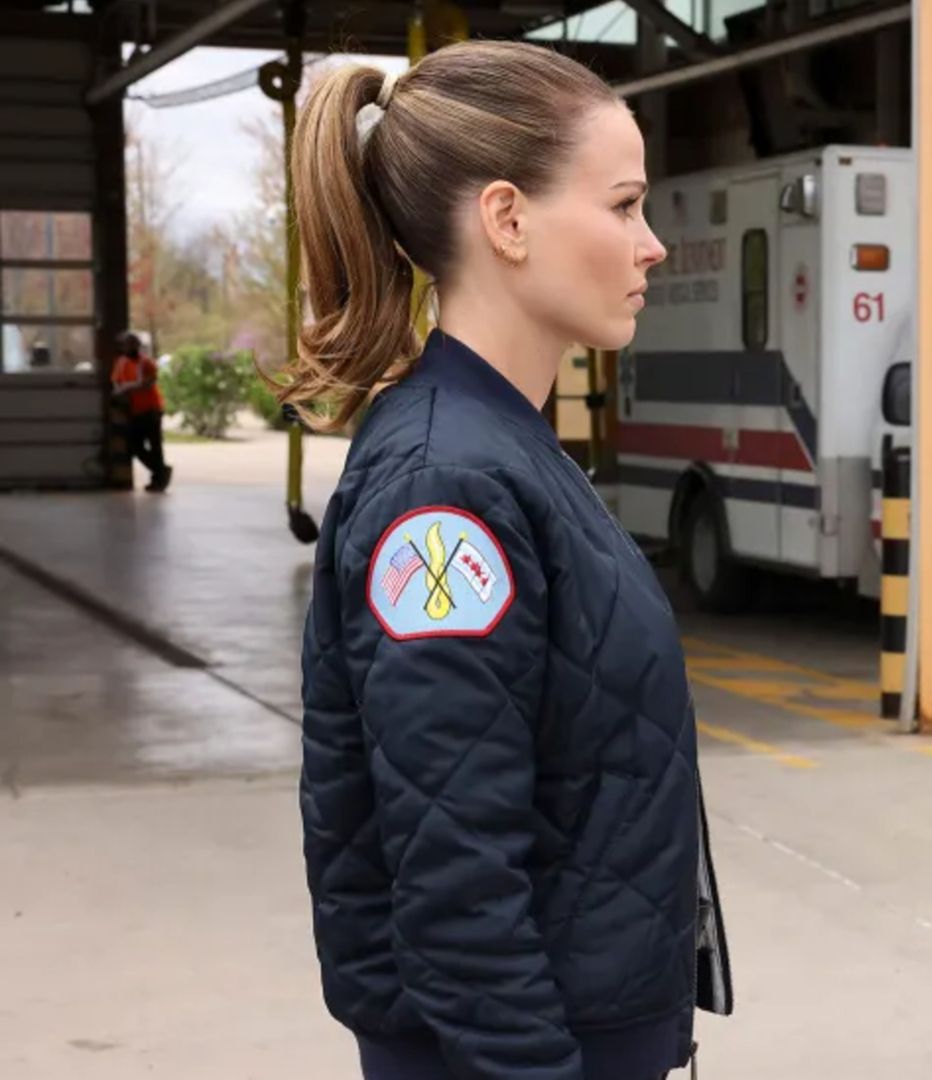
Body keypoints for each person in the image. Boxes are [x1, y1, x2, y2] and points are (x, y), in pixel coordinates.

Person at [284, 42, 732, 1080]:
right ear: (507, 220)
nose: (653, 244)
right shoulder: (446, 491)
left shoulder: (510, 451)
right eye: (623, 206)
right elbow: (455, 880)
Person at [110, 331, 171, 491]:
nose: (129, 347)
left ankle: (158, 480)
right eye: (126, 345)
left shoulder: (146, 363)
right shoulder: (121, 363)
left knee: (155, 446)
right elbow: (116, 383)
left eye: (132, 344)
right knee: (135, 445)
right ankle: (161, 470)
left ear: (137, 346)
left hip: (151, 409)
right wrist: (124, 389)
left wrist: (127, 387)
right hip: (135, 411)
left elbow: (147, 384)